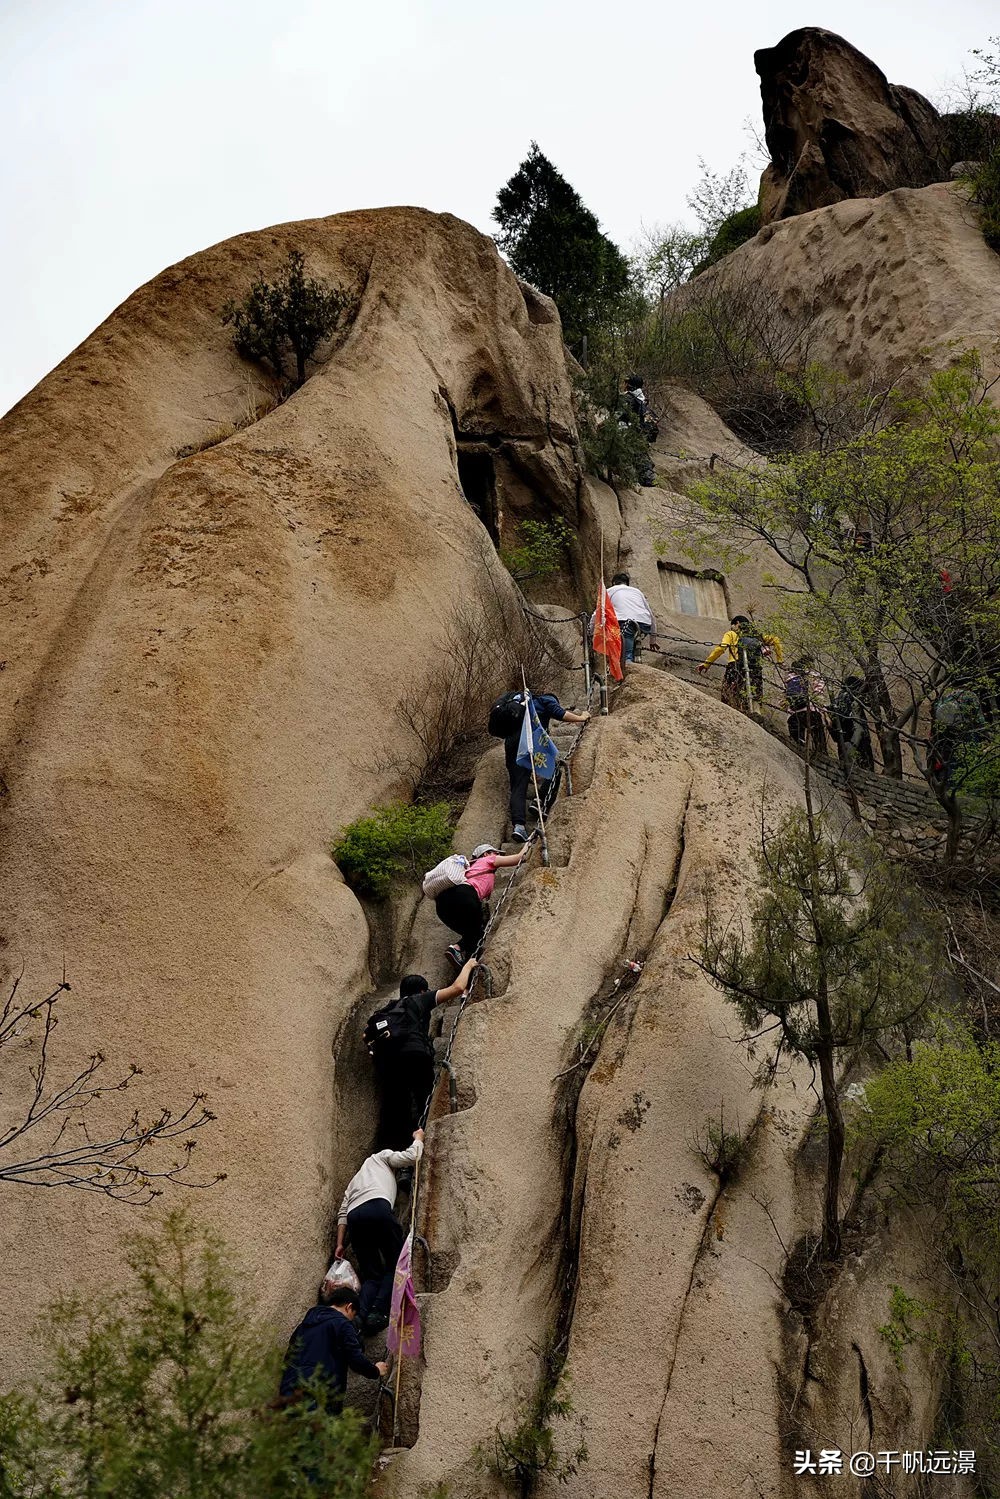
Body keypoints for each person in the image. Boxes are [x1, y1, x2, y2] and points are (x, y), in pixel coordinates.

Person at [369, 959, 477, 1149]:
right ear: (422, 991)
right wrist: (468, 965)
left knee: (397, 1109)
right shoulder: (418, 1000)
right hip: (415, 1056)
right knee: (423, 1102)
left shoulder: (385, 1011)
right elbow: (458, 987)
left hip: (389, 1064)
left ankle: (399, 1159)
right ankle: (420, 1147)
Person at [334, 1129, 423, 1336]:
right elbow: (412, 1156)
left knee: (371, 1275)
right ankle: (378, 1313)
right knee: (396, 1264)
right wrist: (418, 1138)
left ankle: (357, 1317)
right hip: (378, 1209)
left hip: (356, 1219)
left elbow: (343, 1213)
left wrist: (340, 1243)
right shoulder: (381, 1156)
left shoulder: (355, 1180)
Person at [499, 689, 590, 843]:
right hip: (532, 742)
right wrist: (582, 717)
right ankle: (540, 800)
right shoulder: (546, 700)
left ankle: (519, 827)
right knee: (555, 768)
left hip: (512, 744)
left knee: (518, 785)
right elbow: (561, 714)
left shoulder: (521, 703)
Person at [279, 1281, 388, 1409]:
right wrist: (375, 1370)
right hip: (319, 1393)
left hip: (289, 1390)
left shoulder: (303, 1326)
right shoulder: (342, 1324)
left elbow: (288, 1360)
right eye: (352, 1316)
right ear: (349, 1307)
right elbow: (355, 1359)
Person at [436, 842, 530, 967]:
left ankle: (461, 957)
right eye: (494, 852)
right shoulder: (488, 860)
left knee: (473, 934)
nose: (497, 855)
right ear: (485, 854)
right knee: (478, 936)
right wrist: (528, 843)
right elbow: (520, 858)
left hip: (442, 905)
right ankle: (458, 952)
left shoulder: (467, 869)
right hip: (465, 896)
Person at [697, 615, 783, 711]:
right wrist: (779, 660)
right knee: (754, 697)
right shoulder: (757, 636)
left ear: (737, 623)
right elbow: (776, 640)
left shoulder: (731, 634)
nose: (731, 628)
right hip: (755, 669)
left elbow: (720, 649)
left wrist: (707, 664)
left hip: (735, 668)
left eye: (732, 626)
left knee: (729, 696)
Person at [588, 572, 658, 664]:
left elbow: (597, 613)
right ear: (627, 583)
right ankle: (635, 647)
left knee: (625, 653)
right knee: (631, 640)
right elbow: (651, 615)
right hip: (644, 624)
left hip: (624, 623)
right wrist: (653, 639)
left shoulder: (610, 590)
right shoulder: (637, 592)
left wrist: (589, 633)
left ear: (614, 583)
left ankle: (627, 662)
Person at [827, 676, 875, 772]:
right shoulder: (852, 697)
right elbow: (870, 702)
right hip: (857, 737)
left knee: (846, 763)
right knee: (865, 765)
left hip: (843, 737)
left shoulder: (837, 700)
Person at [783, 660, 828, 758]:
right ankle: (822, 755)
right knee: (818, 736)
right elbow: (819, 695)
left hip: (793, 714)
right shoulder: (814, 675)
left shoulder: (788, 678)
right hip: (811, 711)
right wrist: (824, 712)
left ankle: (800, 755)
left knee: (797, 743)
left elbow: (783, 700)